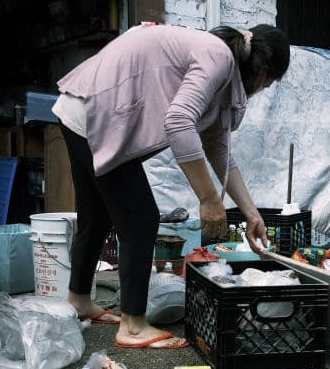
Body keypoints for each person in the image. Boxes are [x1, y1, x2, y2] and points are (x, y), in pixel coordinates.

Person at [53, 23, 290, 349]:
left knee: (97, 214)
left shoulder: (222, 77)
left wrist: (252, 214)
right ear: (264, 73)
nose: (263, 89)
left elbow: (220, 152)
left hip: (80, 110)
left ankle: (78, 300)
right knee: (141, 219)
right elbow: (178, 120)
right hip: (96, 114)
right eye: (270, 84)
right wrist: (208, 199)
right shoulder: (218, 58)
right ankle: (133, 326)